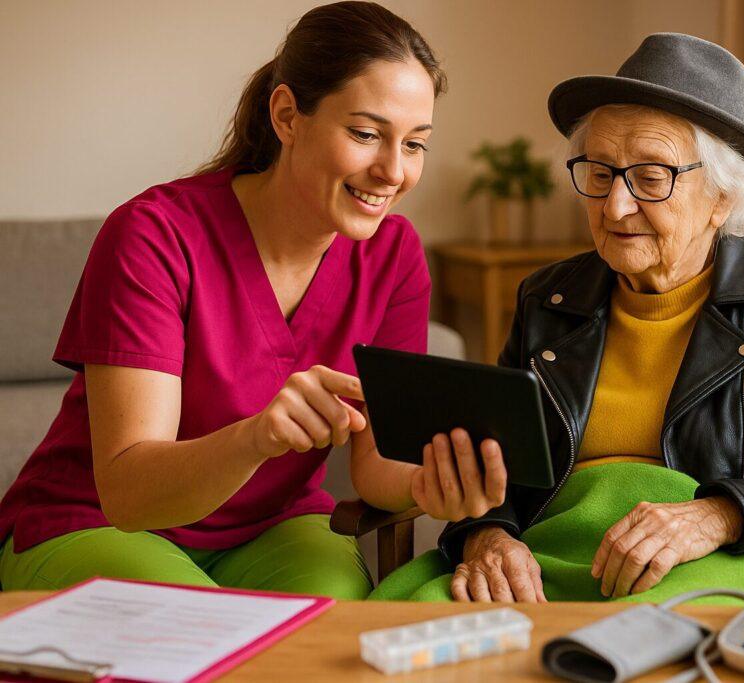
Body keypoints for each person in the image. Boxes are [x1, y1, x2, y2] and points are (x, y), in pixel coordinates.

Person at [371, 33, 744, 604]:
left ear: (721, 197)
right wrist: (487, 537)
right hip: (546, 558)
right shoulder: (549, 298)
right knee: (406, 624)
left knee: (648, 646)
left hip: (709, 561)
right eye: (601, 173)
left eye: (652, 178)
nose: (615, 206)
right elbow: (497, 465)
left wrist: (719, 515)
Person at [0, 1, 506, 599]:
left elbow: (376, 467)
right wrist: (256, 437)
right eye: (366, 134)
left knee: (331, 637)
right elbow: (129, 492)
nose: (392, 171)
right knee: (191, 639)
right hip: (98, 521)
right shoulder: (153, 235)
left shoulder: (393, 255)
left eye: (415, 143)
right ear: (288, 116)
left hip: (275, 529)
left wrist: (430, 482)